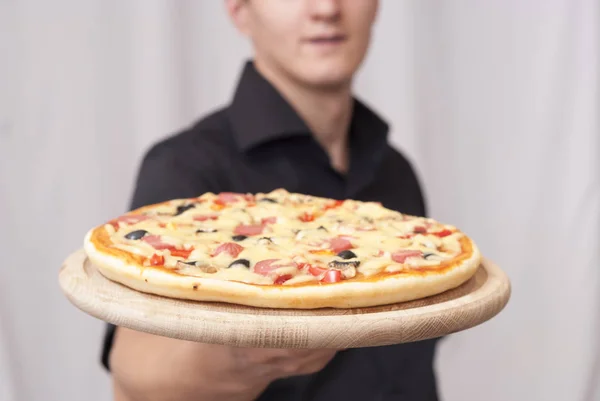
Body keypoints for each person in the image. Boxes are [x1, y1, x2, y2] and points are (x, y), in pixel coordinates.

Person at [104, 1, 440, 400]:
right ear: (240, 10)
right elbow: (134, 368)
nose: (326, 8)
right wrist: (248, 355)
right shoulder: (186, 167)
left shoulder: (396, 170)